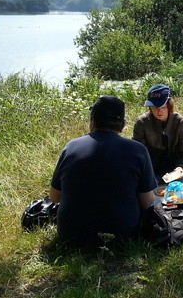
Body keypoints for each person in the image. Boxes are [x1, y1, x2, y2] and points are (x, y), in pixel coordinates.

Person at [49, 95, 156, 247]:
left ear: (92, 120)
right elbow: (147, 203)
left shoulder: (71, 147)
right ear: (123, 124)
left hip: (71, 235)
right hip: (122, 235)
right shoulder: (138, 150)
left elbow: (54, 197)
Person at [132, 84, 183, 186]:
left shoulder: (181, 123)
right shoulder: (142, 122)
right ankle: (153, 182)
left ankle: (154, 183)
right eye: (154, 107)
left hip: (173, 166)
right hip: (151, 165)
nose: (158, 111)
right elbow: (137, 153)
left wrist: (181, 168)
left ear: (169, 106)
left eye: (162, 107)